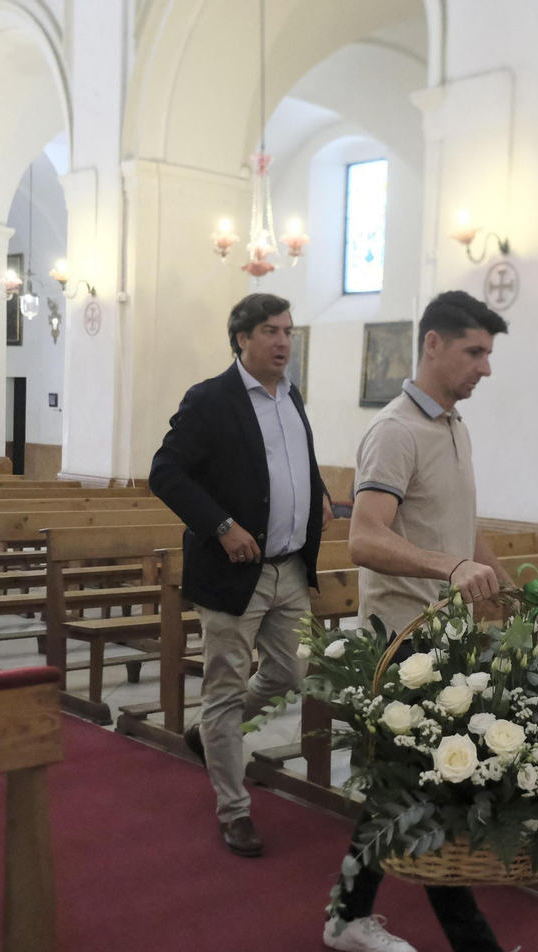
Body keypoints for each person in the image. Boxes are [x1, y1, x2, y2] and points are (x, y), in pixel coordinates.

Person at [328, 290, 538, 952]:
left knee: (395, 793)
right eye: (475, 351)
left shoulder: (453, 425)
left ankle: (345, 915)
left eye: (489, 353)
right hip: (402, 645)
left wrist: (501, 581)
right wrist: (448, 568)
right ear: (432, 344)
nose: (486, 368)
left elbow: (461, 528)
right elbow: (363, 538)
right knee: (439, 795)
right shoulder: (395, 431)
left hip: (448, 642)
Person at [148, 293, 333, 858]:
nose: (283, 342)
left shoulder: (290, 394)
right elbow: (166, 473)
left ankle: (209, 734)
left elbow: (291, 458)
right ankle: (234, 810)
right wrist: (221, 524)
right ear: (241, 339)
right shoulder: (210, 399)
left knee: (288, 671)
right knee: (225, 687)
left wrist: (317, 490)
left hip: (289, 568)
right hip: (234, 573)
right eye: (271, 331)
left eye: (288, 332)